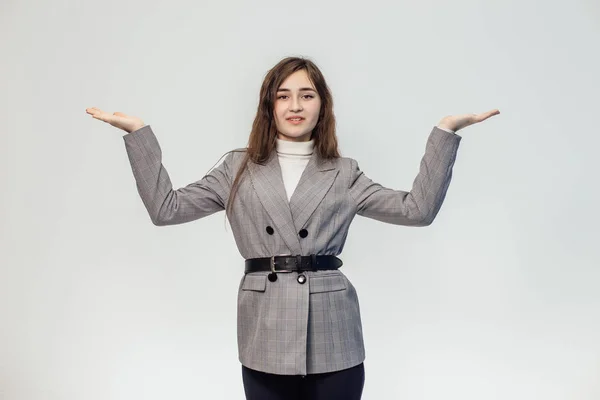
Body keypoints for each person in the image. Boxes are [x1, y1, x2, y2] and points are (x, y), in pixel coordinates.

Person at [86, 56, 499, 400]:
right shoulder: (237, 168)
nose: (295, 105)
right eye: (283, 96)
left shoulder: (343, 172)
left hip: (332, 329)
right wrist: (139, 135)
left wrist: (445, 133)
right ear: (269, 105)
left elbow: (416, 210)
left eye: (306, 94)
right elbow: (166, 208)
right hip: (265, 326)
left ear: (322, 105)